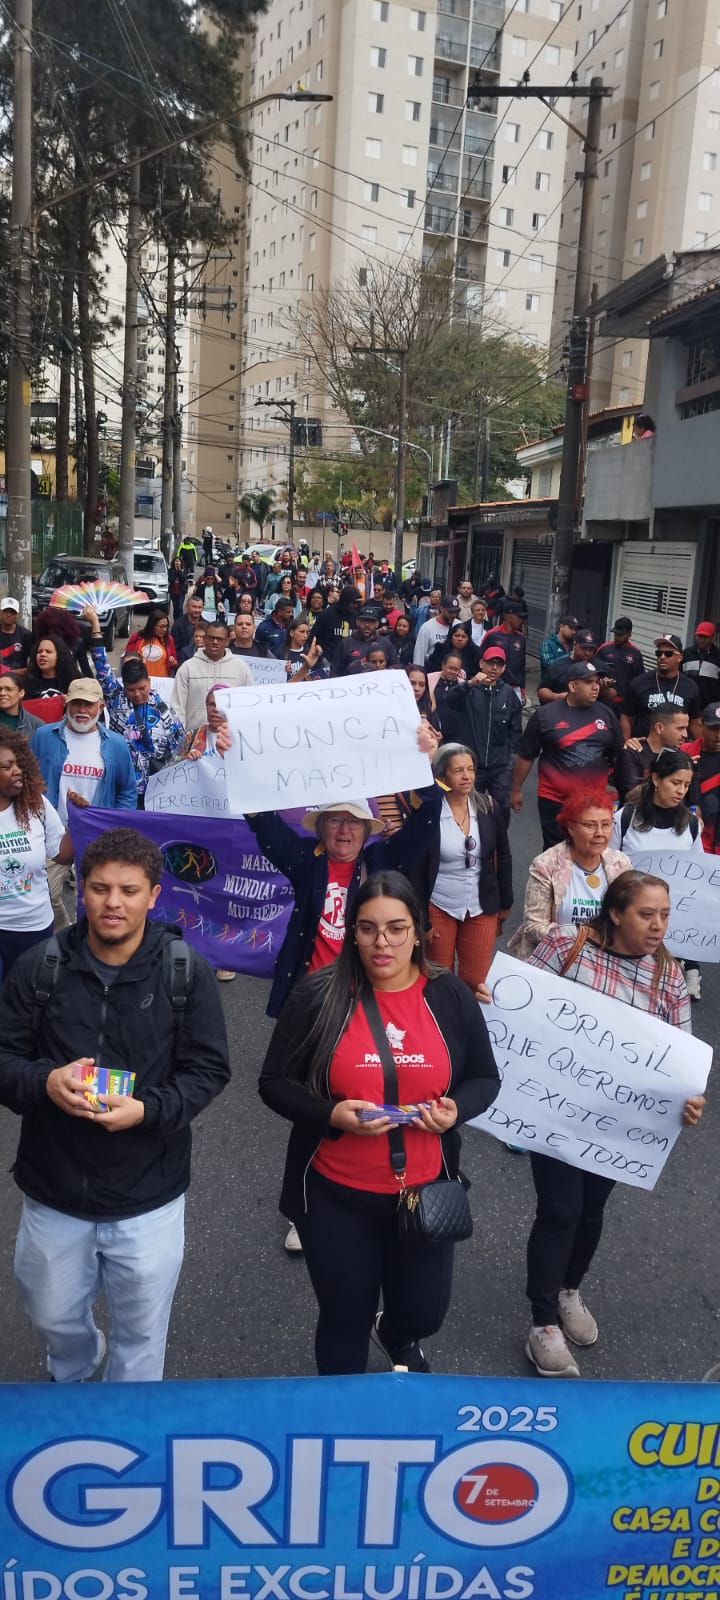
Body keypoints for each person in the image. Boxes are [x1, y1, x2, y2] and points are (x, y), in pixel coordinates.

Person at [0, 828, 230, 1382]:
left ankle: (130, 1420)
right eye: (101, 888)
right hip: (56, 1186)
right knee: (52, 1317)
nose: (113, 903)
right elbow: (5, 1057)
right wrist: (45, 1083)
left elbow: (208, 1070)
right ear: (82, 890)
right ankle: (75, 1374)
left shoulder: (184, 971)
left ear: (154, 896)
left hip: (148, 1193)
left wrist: (148, 1111)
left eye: (129, 891)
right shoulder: (40, 966)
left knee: (142, 1335)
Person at [258, 870, 499, 1374]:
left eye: (396, 928)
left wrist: (456, 1110)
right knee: (344, 1319)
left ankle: (396, 1334)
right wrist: (330, 1113)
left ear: (419, 931)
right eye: (367, 928)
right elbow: (274, 1082)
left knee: (423, 1313)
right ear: (352, 933)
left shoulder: (449, 995)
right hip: (337, 1194)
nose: (381, 942)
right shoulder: (319, 995)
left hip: (424, 1191)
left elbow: (484, 1077)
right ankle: (345, 1409)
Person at [522, 871, 701, 1377]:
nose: (658, 925)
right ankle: (543, 1323)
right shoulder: (568, 945)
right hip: (556, 1109)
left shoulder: (668, 976)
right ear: (616, 913)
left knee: (591, 1210)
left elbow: (682, 1057)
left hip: (618, 1124)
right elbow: (520, 1002)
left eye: (665, 915)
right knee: (560, 1210)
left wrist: (690, 1101)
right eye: (647, 914)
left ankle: (568, 1289)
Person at [508, 788, 632, 960]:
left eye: (606, 824)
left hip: (605, 959)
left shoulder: (621, 863)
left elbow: (628, 918)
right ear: (571, 828)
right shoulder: (546, 864)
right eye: (590, 825)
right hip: (554, 958)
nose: (600, 833)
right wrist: (584, 944)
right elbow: (534, 926)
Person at [511, 661, 623, 849]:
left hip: (594, 803)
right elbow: (526, 755)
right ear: (572, 686)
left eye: (597, 682)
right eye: (588, 682)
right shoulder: (545, 715)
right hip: (555, 801)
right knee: (556, 852)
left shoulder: (606, 714)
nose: (595, 687)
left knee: (591, 850)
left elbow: (617, 753)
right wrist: (515, 790)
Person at [426, 745, 512, 989]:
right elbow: (417, 866)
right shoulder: (429, 811)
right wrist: (420, 917)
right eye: (458, 771)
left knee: (476, 981)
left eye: (471, 769)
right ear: (442, 776)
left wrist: (506, 903)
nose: (467, 776)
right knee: (439, 980)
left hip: (481, 904)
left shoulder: (488, 806)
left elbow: (503, 854)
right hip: (438, 904)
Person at [83, 608, 184, 799]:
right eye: (131, 690)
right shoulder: (116, 698)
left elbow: (179, 747)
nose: (137, 694)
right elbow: (101, 664)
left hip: (156, 790)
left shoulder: (164, 711)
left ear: (149, 682)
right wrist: (95, 624)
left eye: (141, 688)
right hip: (119, 786)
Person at [0, 732, 73, 974]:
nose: (17, 771)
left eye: (19, 764)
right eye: (8, 766)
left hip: (32, 927)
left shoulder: (36, 805)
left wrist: (77, 821)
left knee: (27, 992)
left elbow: (62, 855)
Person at [441, 644, 522, 820]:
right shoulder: (469, 690)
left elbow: (515, 729)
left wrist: (510, 755)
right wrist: (470, 683)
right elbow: (449, 700)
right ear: (481, 664)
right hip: (472, 766)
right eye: (491, 663)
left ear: (503, 668)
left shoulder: (509, 694)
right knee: (468, 809)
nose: (494, 668)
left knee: (501, 811)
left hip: (500, 766)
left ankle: (499, 839)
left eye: (499, 665)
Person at [172, 618, 253, 730]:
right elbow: (177, 707)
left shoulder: (241, 668)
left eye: (219, 639)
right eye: (211, 638)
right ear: (204, 639)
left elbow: (248, 706)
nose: (215, 642)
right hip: (194, 736)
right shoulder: (187, 668)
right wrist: (181, 734)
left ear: (227, 641)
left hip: (229, 737)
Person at [621, 633, 701, 740]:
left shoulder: (690, 687)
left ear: (680, 657)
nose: (662, 657)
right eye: (659, 653)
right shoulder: (639, 683)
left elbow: (695, 723)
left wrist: (699, 747)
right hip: (644, 746)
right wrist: (626, 744)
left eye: (668, 654)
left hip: (677, 747)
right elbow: (626, 718)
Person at [613, 702, 690, 802]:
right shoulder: (633, 753)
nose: (685, 734)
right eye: (680, 728)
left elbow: (692, 803)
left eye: (686, 728)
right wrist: (667, 775)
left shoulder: (682, 758)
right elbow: (630, 797)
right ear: (659, 728)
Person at [687, 700, 720, 853]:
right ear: (701, 725)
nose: (718, 735)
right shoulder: (684, 753)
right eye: (713, 729)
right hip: (690, 838)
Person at [333, 603, 397, 676]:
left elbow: (396, 665)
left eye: (371, 622)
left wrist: (383, 671)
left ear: (377, 624)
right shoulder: (346, 643)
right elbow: (335, 671)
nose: (367, 625)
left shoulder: (385, 643)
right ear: (357, 622)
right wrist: (352, 669)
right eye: (363, 621)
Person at [481, 599, 528, 699]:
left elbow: (522, 666)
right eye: (519, 617)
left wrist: (522, 689)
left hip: (514, 688)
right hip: (493, 685)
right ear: (509, 617)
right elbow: (480, 659)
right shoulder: (492, 635)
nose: (521, 621)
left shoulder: (521, 638)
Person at [308, 585, 362, 667]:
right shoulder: (327, 614)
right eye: (353, 603)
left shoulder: (356, 617)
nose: (356, 606)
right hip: (328, 662)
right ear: (346, 601)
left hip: (349, 664)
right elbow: (312, 638)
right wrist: (322, 658)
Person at [593, 616, 644, 702]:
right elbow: (593, 670)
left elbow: (639, 679)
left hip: (625, 701)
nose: (616, 637)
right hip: (604, 697)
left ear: (629, 634)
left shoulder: (635, 653)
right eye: (615, 634)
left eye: (620, 635)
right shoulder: (604, 649)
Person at [538, 631, 598, 702]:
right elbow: (542, 690)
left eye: (591, 649)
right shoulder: (557, 666)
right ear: (574, 644)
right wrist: (556, 697)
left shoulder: (599, 667)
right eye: (583, 648)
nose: (587, 653)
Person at [125, 608, 178, 679]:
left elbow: (175, 662)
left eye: (166, 626)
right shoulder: (137, 637)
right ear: (152, 625)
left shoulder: (168, 639)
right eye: (161, 626)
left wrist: (174, 664)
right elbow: (127, 659)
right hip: (141, 681)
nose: (165, 629)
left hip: (162, 681)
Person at [24, 635, 78, 700]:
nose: (42, 654)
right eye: (39, 652)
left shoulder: (75, 683)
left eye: (48, 652)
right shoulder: (26, 684)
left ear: (59, 655)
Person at [413, 594, 461, 666]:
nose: (454, 615)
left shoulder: (459, 625)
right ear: (441, 608)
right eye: (450, 612)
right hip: (432, 667)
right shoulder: (427, 627)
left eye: (456, 612)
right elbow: (419, 656)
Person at [683, 621, 720, 710]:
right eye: (700, 636)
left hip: (710, 706)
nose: (702, 640)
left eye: (706, 637)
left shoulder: (718, 656)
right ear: (696, 636)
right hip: (688, 701)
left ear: (712, 637)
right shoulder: (687, 653)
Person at [0, 672, 42, 739]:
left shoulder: (35, 724)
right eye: (0, 689)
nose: (2, 693)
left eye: (9, 689)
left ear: (21, 693)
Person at [0, 597, 33, 671]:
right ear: (0, 612)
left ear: (17, 614)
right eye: (5, 611)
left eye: (12, 612)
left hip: (18, 677)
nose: (8, 614)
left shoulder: (26, 635)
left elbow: (33, 662)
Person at [171, 595, 204, 663]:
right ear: (187, 607)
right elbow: (174, 647)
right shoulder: (178, 625)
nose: (197, 610)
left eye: (199, 607)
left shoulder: (206, 625)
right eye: (194, 607)